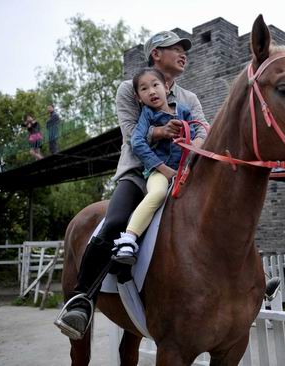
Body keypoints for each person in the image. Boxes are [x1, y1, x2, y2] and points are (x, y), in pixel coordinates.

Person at [57, 30, 207, 339]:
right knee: (113, 223)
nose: (183, 53)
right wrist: (162, 132)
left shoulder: (189, 98)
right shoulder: (130, 89)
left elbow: (204, 130)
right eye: (175, 48)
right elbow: (129, 134)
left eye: (184, 49)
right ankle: (81, 299)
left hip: (181, 174)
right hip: (139, 174)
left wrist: (199, 143)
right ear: (156, 54)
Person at [112, 68, 195, 264]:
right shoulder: (147, 115)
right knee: (157, 194)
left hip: (183, 169)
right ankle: (128, 239)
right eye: (144, 89)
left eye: (155, 85)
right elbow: (137, 142)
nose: (151, 91)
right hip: (159, 171)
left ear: (166, 88)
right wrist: (162, 168)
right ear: (138, 97)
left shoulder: (183, 110)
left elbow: (194, 132)